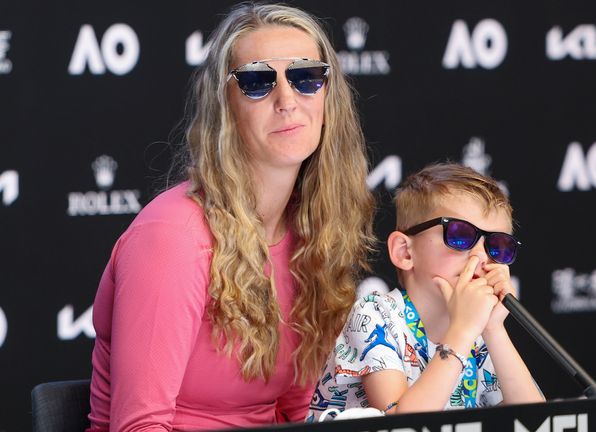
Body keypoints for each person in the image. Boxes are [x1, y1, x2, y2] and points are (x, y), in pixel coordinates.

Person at [86, 2, 375, 430]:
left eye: (306, 77)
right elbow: (139, 426)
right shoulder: (172, 237)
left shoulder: (313, 232)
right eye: (257, 82)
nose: (287, 100)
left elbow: (297, 411)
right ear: (225, 107)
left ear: (329, 95)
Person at [308, 163, 543, 420]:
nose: (481, 257)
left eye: (498, 246)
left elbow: (538, 423)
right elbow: (404, 424)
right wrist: (462, 331)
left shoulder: (478, 332)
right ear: (405, 252)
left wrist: (493, 329)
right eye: (460, 235)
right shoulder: (375, 315)